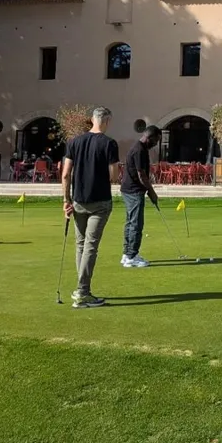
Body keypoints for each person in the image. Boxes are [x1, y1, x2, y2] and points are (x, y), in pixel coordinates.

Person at [62, 107, 120, 308]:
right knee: (90, 246)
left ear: (92, 120)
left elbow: (65, 174)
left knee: (81, 244)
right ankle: (83, 291)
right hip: (100, 201)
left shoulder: (74, 142)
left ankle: (81, 289)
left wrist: (66, 200)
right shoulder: (109, 143)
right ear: (106, 121)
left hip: (78, 200)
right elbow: (114, 176)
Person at [120, 126, 161, 268]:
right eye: (156, 140)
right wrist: (152, 192)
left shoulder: (139, 148)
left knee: (130, 222)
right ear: (150, 137)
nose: (156, 143)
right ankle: (132, 256)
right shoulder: (139, 151)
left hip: (128, 189)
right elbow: (141, 175)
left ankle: (126, 254)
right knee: (136, 223)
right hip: (134, 190)